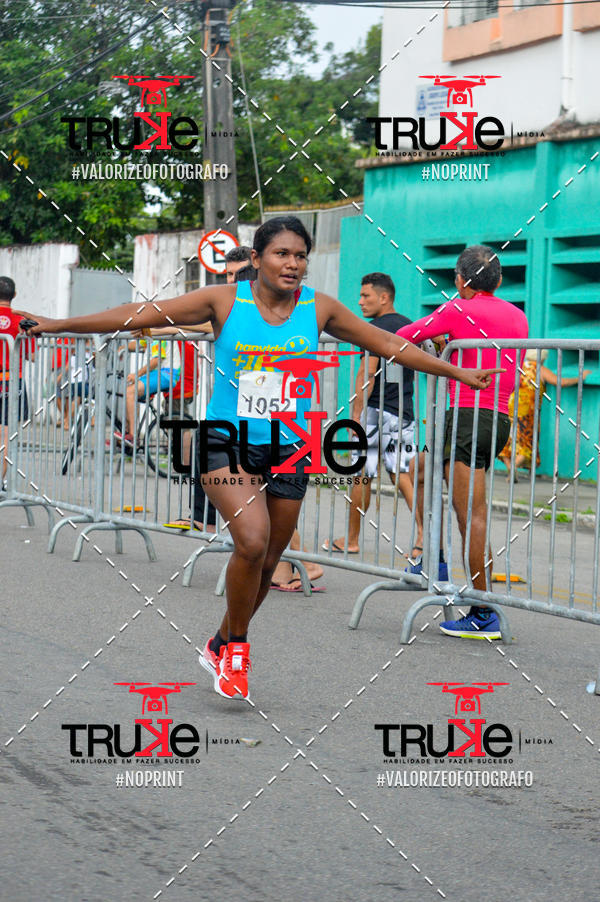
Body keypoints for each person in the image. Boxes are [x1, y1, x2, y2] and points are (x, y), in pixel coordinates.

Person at [23, 217, 501, 699]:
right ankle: (238, 649)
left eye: (299, 256)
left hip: (292, 445)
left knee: (269, 558)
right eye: (281, 254)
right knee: (251, 542)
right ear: (256, 259)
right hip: (225, 441)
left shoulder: (319, 309)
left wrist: (455, 372)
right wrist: (59, 325)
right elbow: (142, 313)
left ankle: (220, 641)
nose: (292, 263)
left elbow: (388, 344)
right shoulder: (225, 300)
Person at [397, 245, 528, 640]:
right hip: (498, 418)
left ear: (460, 280)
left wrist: (437, 346)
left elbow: (404, 337)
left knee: (470, 515)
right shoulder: (517, 315)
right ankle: (437, 562)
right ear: (499, 281)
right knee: (430, 482)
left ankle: (483, 609)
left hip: (468, 417)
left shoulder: (458, 308)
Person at [323, 272, 419, 557]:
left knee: (361, 475)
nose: (360, 301)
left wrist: (355, 414)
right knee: (401, 473)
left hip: (376, 413)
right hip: (403, 411)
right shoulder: (409, 326)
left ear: (383, 297)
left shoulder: (374, 329)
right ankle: (426, 538)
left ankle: (351, 540)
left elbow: (368, 372)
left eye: (366, 296)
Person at [499, 349, 590, 479]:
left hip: (510, 407)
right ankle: (513, 468)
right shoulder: (539, 369)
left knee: (507, 440)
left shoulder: (518, 367)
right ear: (542, 358)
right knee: (526, 442)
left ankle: (510, 468)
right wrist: (579, 378)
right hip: (527, 412)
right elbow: (559, 382)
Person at [0, 276, 34, 483]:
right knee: (6, 436)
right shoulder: (20, 320)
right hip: (12, 381)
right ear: (14, 295)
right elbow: (31, 355)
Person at [116, 336, 179, 445]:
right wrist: (122, 347)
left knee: (130, 392)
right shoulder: (150, 331)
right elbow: (139, 344)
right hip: (159, 373)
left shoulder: (157, 332)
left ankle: (132, 436)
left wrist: (137, 374)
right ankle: (128, 432)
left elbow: (157, 359)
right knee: (130, 393)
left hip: (166, 373)